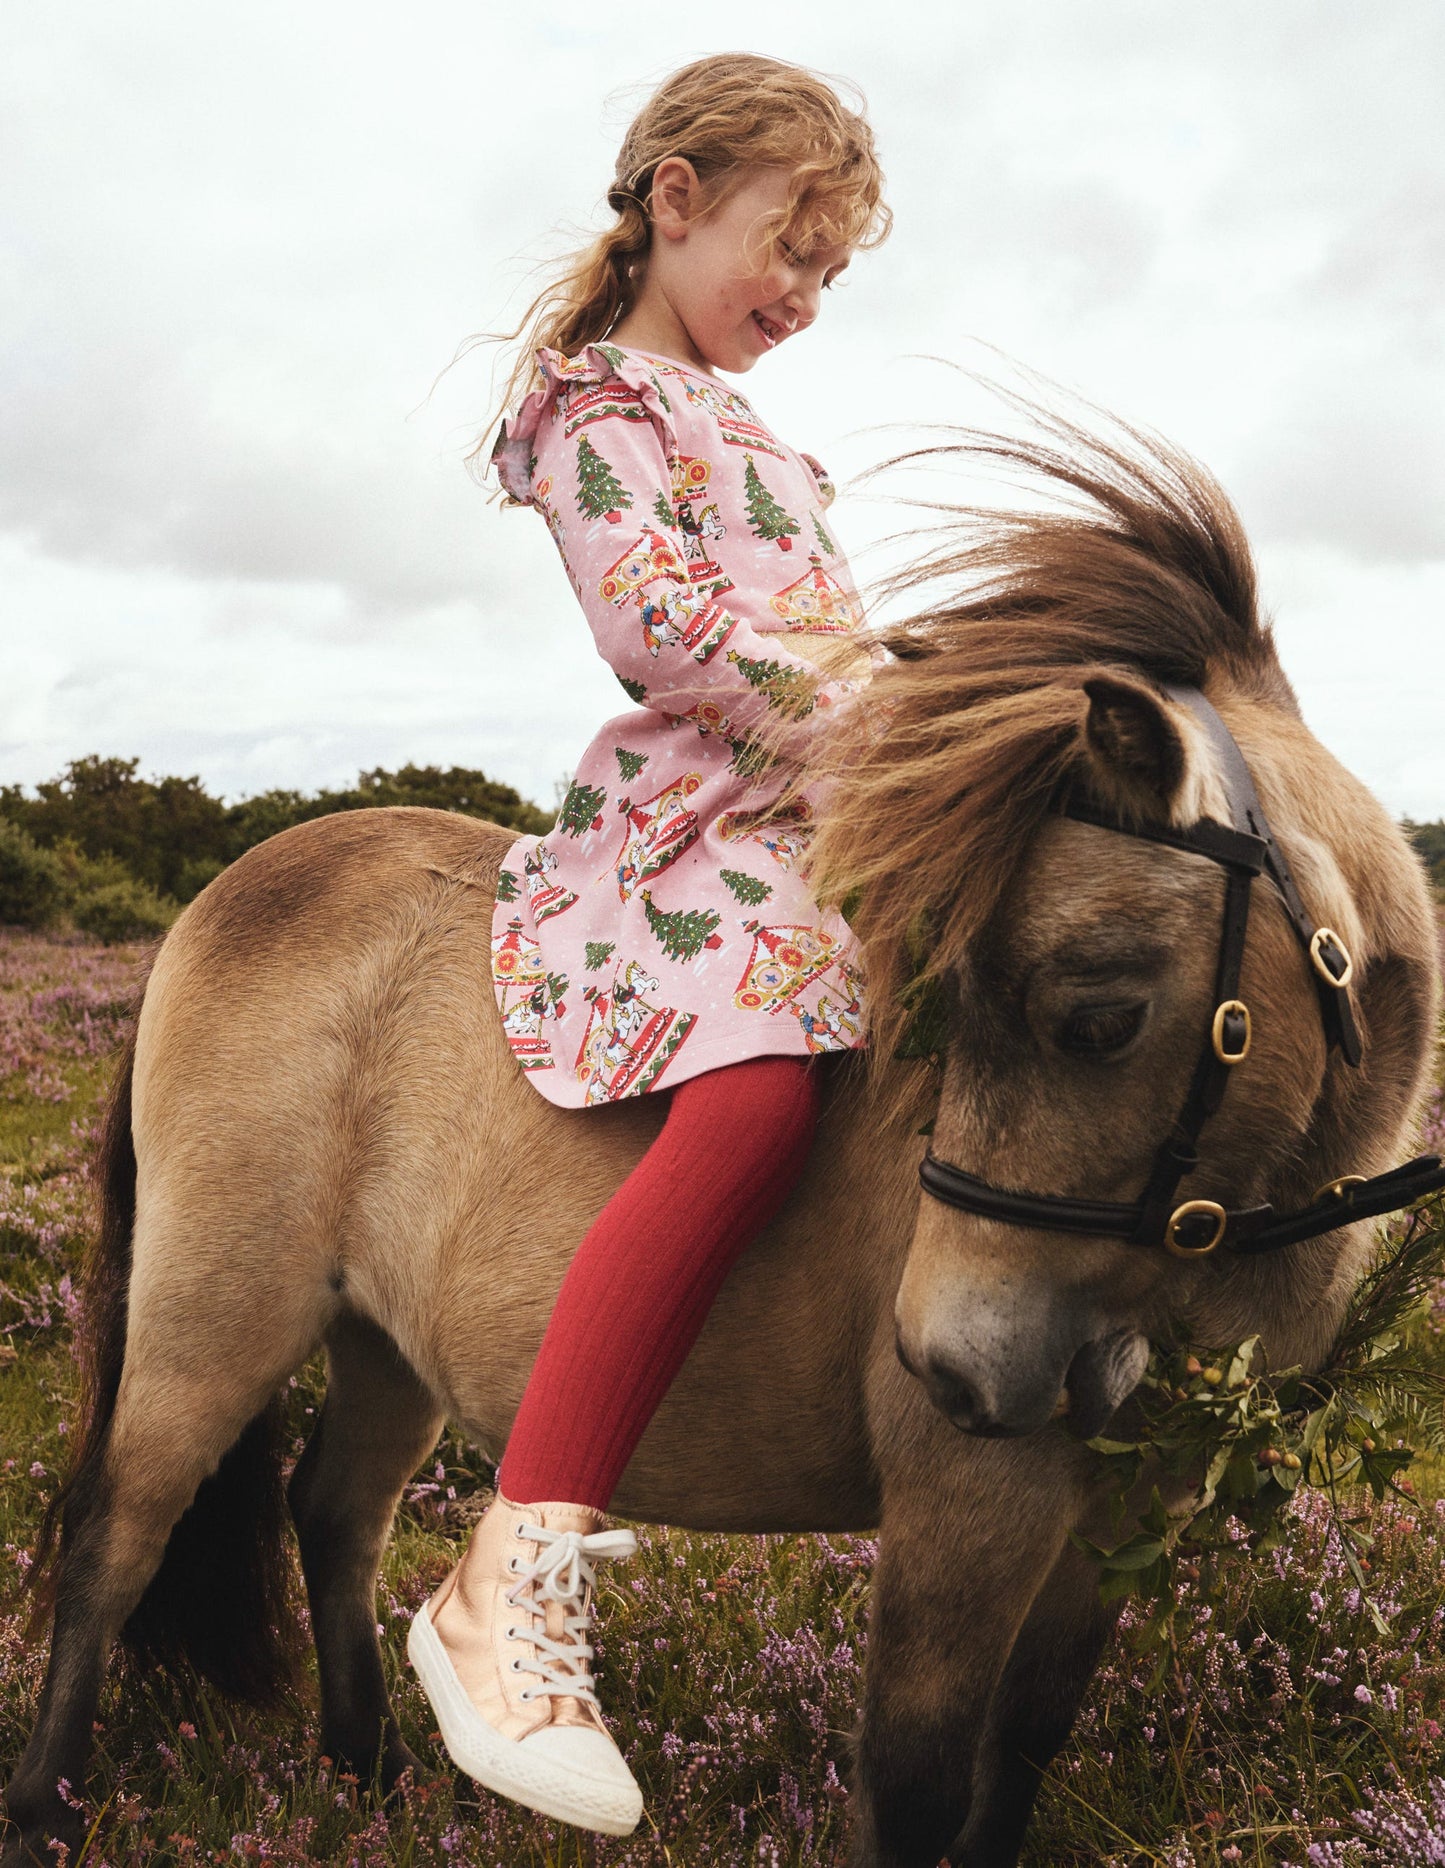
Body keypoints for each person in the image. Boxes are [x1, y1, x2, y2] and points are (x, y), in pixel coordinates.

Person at [407, 51, 890, 1837]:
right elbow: (671, 634)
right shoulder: (596, 404)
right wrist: (888, 727)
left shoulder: (762, 426)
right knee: (760, 1102)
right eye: (790, 243)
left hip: (841, 817)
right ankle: (507, 1576)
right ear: (676, 196)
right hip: (708, 823)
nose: (807, 295)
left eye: (835, 271)